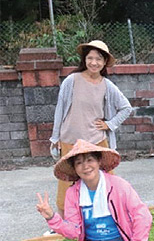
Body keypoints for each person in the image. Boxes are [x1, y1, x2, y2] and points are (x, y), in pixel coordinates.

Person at [35, 139, 152, 241]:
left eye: (90, 160)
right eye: (79, 163)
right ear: (75, 169)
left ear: (98, 162)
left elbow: (142, 215)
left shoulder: (118, 185)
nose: (85, 166)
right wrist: (52, 217)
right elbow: (73, 231)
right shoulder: (74, 193)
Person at [50, 40, 132, 220]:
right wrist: (55, 137)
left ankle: (114, 214)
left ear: (104, 63)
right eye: (90, 58)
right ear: (84, 60)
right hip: (70, 140)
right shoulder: (72, 80)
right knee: (68, 181)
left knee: (106, 179)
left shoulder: (107, 86)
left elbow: (126, 108)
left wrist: (109, 124)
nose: (94, 62)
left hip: (95, 141)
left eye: (99, 59)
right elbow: (60, 108)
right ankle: (63, 221)